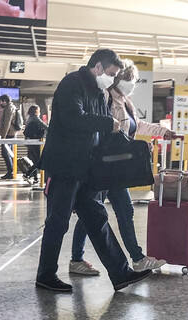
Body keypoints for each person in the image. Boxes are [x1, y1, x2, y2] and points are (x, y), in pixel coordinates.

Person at [36, 48, 152, 293]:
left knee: (97, 218)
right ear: (97, 67)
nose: (112, 79)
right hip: (65, 166)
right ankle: (46, 275)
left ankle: (121, 274)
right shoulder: (72, 84)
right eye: (111, 73)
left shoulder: (99, 92)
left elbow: (101, 131)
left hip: (86, 169)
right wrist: (107, 123)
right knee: (58, 222)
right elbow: (73, 119)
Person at [70, 59, 173, 276]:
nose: (133, 84)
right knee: (94, 212)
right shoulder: (105, 97)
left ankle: (136, 258)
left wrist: (162, 132)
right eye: (130, 79)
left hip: (118, 168)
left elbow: (135, 125)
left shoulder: (125, 101)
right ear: (119, 78)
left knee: (121, 211)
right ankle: (78, 259)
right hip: (105, 166)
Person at [0, 94, 21, 180]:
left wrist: (3, 136)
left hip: (9, 135)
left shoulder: (9, 108)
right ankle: (11, 171)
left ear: (5, 101)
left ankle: (10, 171)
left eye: (1, 101)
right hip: (10, 134)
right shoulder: (10, 108)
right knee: (8, 153)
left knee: (5, 153)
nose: (0, 103)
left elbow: (7, 123)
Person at [23, 105, 48, 183]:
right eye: (39, 110)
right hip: (35, 143)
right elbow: (46, 127)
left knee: (33, 161)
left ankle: (35, 178)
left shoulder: (29, 118)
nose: (39, 112)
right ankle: (27, 174)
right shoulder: (36, 118)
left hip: (29, 142)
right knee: (38, 161)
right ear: (36, 111)